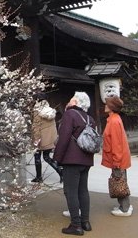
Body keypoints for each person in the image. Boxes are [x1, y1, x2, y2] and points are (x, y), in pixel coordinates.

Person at [53, 91, 95, 235]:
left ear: (76, 102)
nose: (69, 102)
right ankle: (85, 222)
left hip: (72, 160)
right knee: (83, 190)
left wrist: (57, 158)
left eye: (71, 99)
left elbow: (64, 138)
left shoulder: (70, 115)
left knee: (71, 191)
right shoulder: (90, 118)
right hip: (86, 160)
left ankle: (75, 225)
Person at [101, 95, 133, 217]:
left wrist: (116, 161)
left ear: (111, 107)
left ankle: (124, 208)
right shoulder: (114, 119)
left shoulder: (113, 121)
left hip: (118, 159)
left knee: (120, 182)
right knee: (121, 181)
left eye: (107, 104)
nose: (105, 105)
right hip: (120, 157)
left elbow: (116, 144)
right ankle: (124, 206)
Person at [31, 92, 62, 182]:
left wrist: (36, 140)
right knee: (47, 157)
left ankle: (39, 177)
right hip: (49, 140)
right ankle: (60, 172)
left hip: (40, 139)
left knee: (37, 157)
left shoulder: (37, 111)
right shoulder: (50, 111)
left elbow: (36, 127)